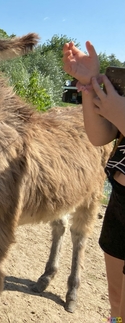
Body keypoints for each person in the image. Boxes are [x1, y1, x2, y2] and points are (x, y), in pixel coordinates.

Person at [63, 41, 125, 321]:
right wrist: (88, 86)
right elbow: (101, 136)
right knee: (116, 300)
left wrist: (121, 115)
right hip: (120, 202)